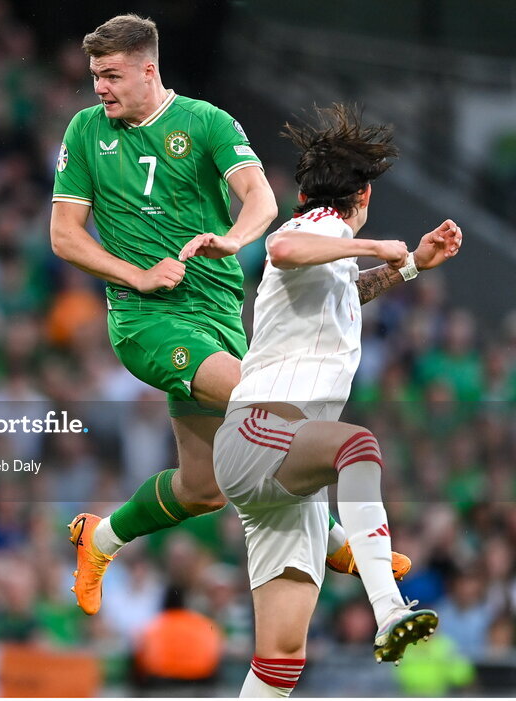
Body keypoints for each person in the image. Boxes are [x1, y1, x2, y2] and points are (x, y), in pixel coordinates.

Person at [51, 14, 406, 616]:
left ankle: (99, 537)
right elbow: (64, 235)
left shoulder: (206, 122)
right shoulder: (86, 131)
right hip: (149, 321)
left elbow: (260, 198)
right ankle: (337, 542)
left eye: (110, 76)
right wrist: (136, 275)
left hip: (219, 315)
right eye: (94, 77)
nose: (100, 89)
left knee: (204, 488)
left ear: (148, 70)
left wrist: (232, 239)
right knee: (261, 406)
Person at [212, 104, 462, 696]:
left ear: (303, 189)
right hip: (262, 431)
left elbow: (342, 288)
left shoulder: (330, 250)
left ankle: (360, 570)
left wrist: (411, 268)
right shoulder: (321, 229)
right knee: (359, 444)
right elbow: (283, 249)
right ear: (366, 195)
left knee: (281, 660)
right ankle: (389, 608)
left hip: (282, 471)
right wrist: (377, 246)